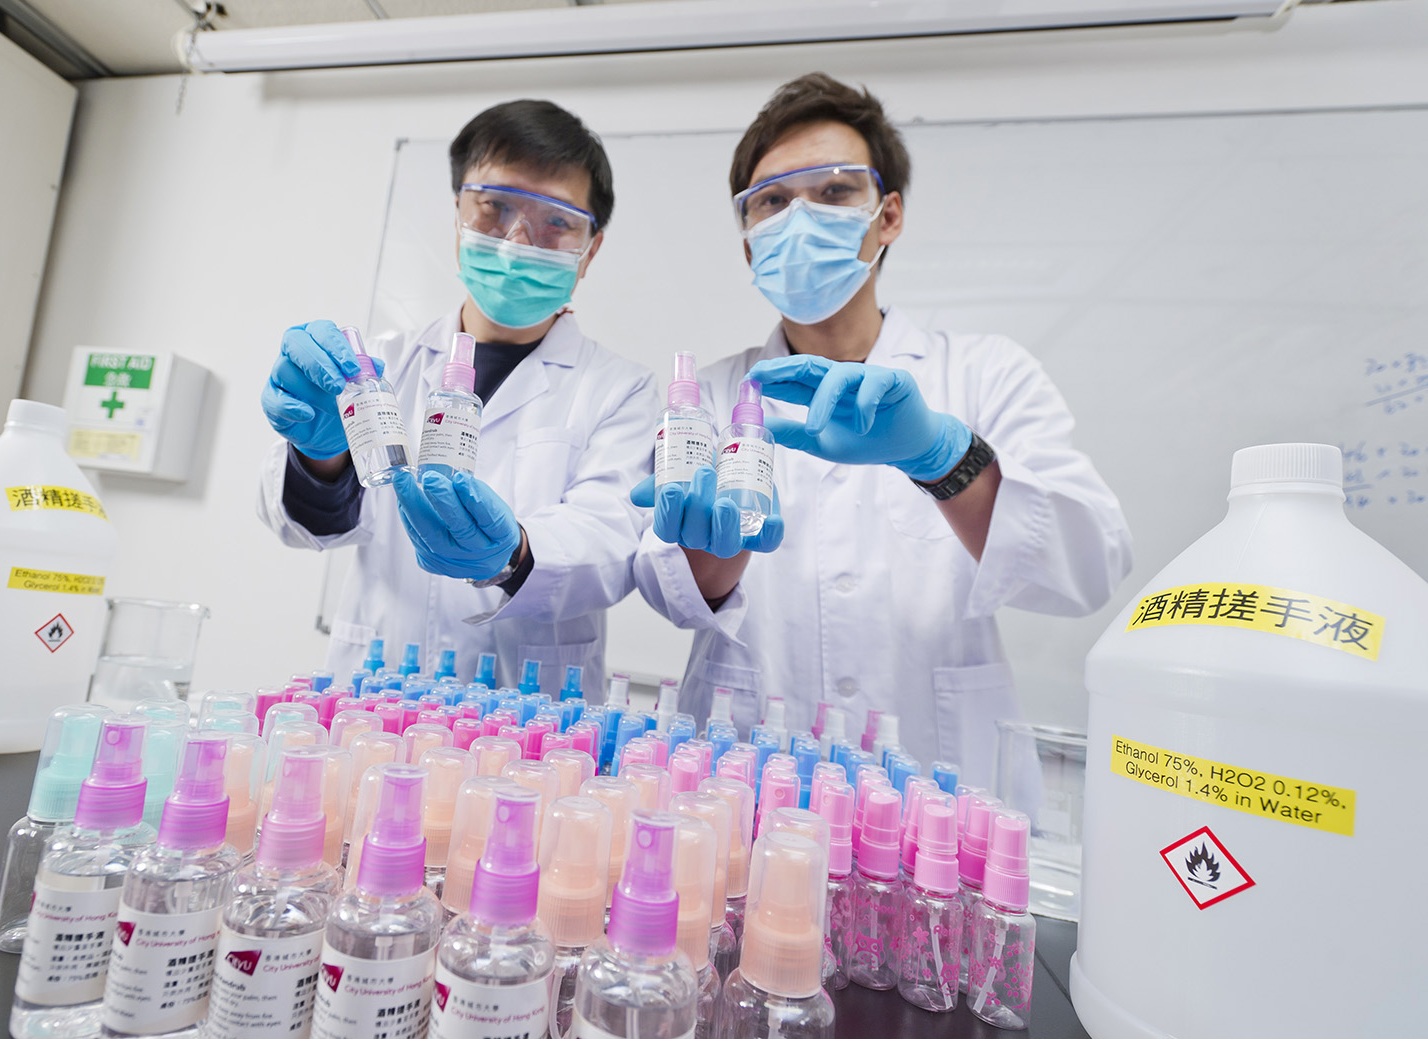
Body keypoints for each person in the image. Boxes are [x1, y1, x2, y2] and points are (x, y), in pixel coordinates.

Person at [633, 74, 1133, 782]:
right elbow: (670, 588)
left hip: (940, 782)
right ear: (749, 241)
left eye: (834, 191)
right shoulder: (708, 396)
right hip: (745, 775)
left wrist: (941, 455)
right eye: (772, 201)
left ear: (888, 214)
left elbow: (1088, 563)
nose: (800, 217)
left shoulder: (987, 372)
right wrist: (714, 551)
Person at [258, 100, 657, 701]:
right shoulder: (378, 365)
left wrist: (513, 553)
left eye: (556, 222)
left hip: (534, 717)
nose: (519, 239)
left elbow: (610, 541)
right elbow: (306, 528)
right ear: (460, 215)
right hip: (377, 691)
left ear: (590, 248)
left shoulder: (620, 389)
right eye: (495, 209)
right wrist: (320, 461)